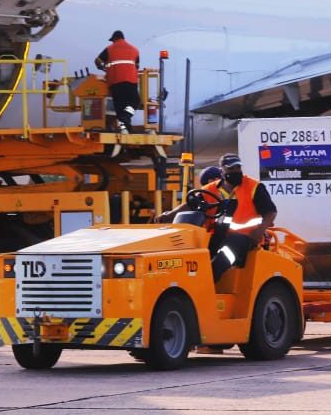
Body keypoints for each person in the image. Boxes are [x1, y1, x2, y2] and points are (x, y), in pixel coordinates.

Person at [162, 153, 278, 282]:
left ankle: (209, 279)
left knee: (227, 250)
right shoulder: (210, 189)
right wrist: (170, 215)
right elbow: (190, 204)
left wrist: (259, 231)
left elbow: (271, 212)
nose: (236, 171)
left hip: (246, 237)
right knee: (197, 249)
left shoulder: (254, 187)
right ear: (222, 170)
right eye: (231, 168)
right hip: (217, 235)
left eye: (238, 168)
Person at [94, 30, 140, 134]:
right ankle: (126, 122)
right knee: (135, 101)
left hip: (114, 82)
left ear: (114, 39)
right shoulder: (135, 50)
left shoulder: (109, 49)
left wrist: (101, 67)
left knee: (119, 106)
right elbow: (137, 66)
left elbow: (97, 61)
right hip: (131, 81)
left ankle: (124, 124)